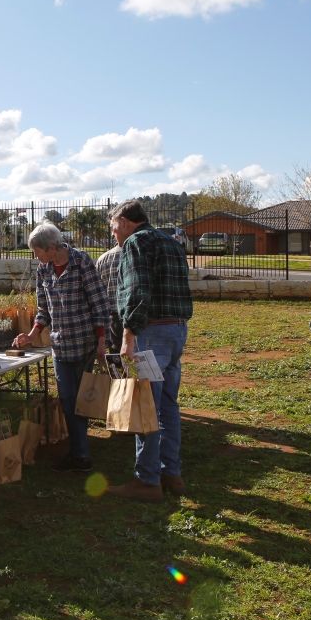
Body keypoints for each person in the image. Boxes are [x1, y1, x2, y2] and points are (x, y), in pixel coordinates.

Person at [108, 200, 193, 501]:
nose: (113, 233)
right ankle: (171, 473)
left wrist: (128, 336)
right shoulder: (171, 243)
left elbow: (137, 291)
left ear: (125, 221)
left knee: (146, 406)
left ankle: (147, 480)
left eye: (113, 226)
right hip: (176, 331)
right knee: (168, 405)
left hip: (151, 334)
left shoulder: (136, 242)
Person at [14, 222, 110, 472]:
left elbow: (99, 303)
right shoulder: (43, 270)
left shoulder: (81, 262)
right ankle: (80, 453)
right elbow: (43, 309)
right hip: (60, 346)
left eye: (37, 251)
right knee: (68, 400)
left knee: (81, 399)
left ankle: (81, 453)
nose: (36, 257)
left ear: (52, 248)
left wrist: (101, 340)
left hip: (84, 344)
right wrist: (32, 334)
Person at [93, 241, 124, 353]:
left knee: (116, 356)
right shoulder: (135, 254)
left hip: (111, 317)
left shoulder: (102, 259)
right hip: (133, 316)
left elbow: (97, 291)